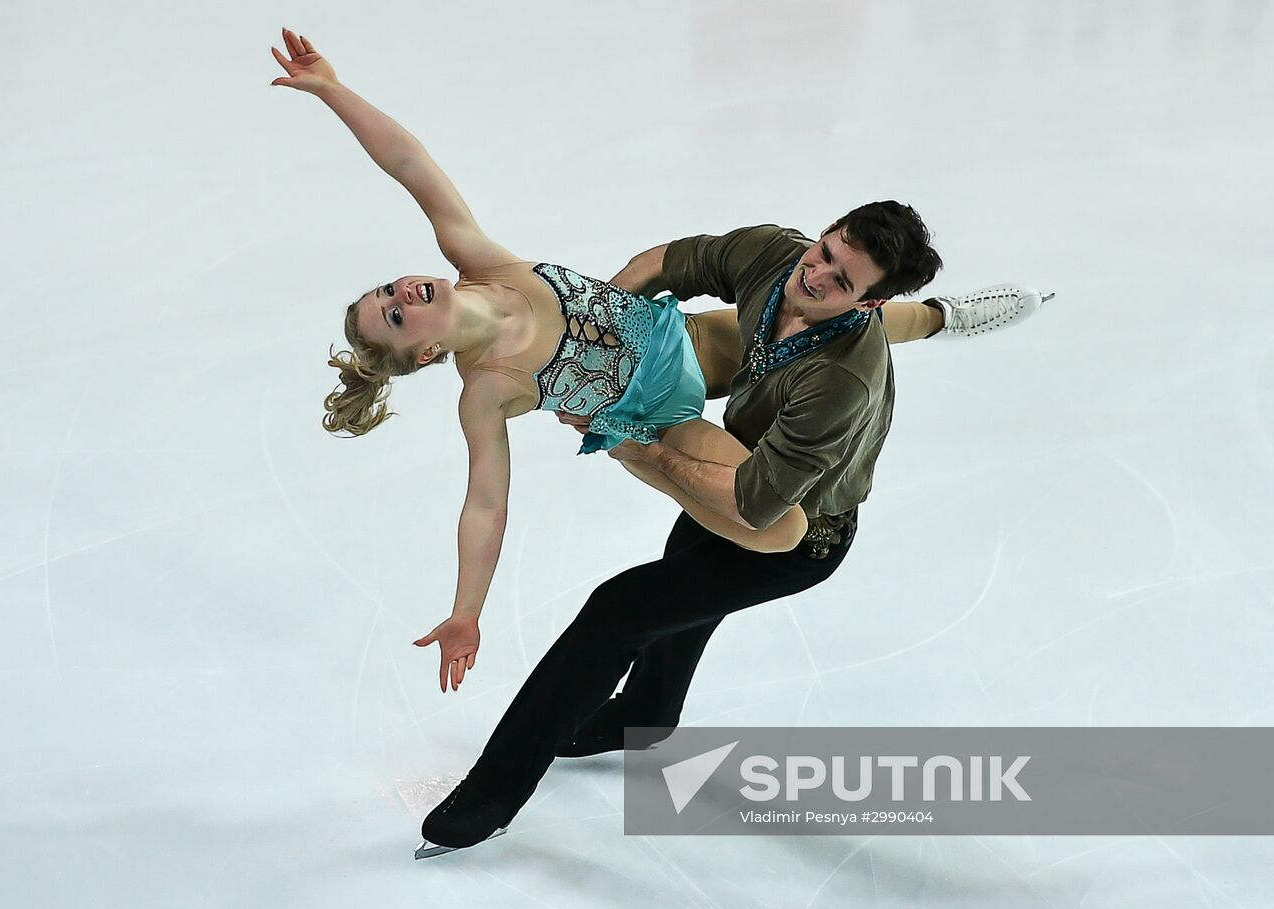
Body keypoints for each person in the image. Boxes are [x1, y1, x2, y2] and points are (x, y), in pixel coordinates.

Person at [268, 29, 1046, 702]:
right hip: (654, 415)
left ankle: (946, 316)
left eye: (384, 292)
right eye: (396, 318)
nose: (399, 293)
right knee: (774, 524)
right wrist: (468, 608)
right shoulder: (487, 389)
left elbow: (409, 163)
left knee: (824, 320)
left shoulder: (479, 262)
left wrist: (333, 91)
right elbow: (484, 505)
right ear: (427, 351)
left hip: (677, 340)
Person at [414, 206, 1019, 856]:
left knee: (619, 610)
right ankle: (643, 718)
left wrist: (634, 437)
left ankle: (490, 796)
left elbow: (754, 505)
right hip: (739, 465)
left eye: (840, 279)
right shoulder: (779, 256)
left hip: (797, 533)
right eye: (823, 251)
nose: (813, 274)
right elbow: (675, 259)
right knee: (676, 600)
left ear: (867, 302)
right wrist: (608, 332)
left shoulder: (840, 380)